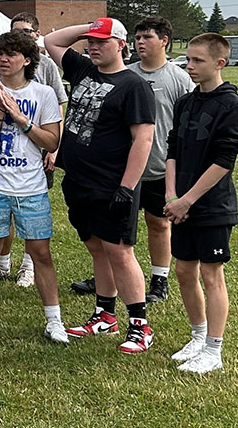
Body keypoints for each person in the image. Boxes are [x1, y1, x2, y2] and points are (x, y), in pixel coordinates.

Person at [44, 18, 157, 354]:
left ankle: (140, 325)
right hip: (80, 180)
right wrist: (88, 27)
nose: (93, 47)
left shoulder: (133, 85)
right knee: (96, 247)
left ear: (121, 44)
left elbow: (144, 138)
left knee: (120, 252)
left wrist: (127, 186)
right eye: (90, 41)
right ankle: (105, 315)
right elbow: (51, 41)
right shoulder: (82, 70)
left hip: (113, 184)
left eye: (102, 41)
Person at [71, 18, 192, 302]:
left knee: (158, 223)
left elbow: (183, 124)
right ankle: (108, 282)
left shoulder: (176, 78)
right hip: (120, 170)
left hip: (159, 166)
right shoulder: (128, 74)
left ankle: (159, 279)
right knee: (112, 237)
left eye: (147, 37)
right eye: (137, 36)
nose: (141, 42)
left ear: (164, 41)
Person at [0, 31, 67, 343]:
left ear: (27, 59)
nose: (3, 59)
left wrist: (22, 120)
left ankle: (54, 321)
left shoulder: (44, 94)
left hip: (32, 188)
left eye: (10, 54)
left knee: (41, 253)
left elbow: (52, 141)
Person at [164, 33, 238, 374]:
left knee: (212, 276)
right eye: (188, 59)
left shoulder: (232, 106)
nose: (189, 66)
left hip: (211, 207)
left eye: (198, 60)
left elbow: (223, 161)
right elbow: (171, 149)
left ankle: (214, 350)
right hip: (180, 203)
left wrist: (187, 200)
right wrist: (171, 196)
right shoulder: (185, 102)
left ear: (220, 63)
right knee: (184, 271)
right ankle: (198, 337)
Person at [0, 12, 67, 288]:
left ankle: (28, 265)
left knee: (32, 214)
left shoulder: (46, 67)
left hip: (38, 141)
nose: (19, 37)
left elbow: (57, 106)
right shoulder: (1, 64)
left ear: (36, 34)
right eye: (14, 32)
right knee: (5, 211)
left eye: (25, 32)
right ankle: (3, 263)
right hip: (7, 150)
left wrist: (53, 149)